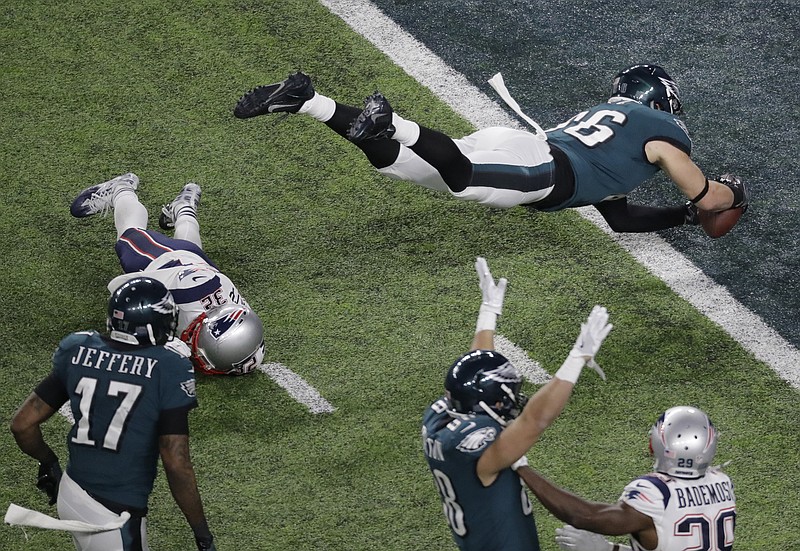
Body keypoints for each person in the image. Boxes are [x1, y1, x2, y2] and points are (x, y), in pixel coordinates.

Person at [233, 65, 749, 234]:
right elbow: (700, 188)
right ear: (661, 102)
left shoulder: (615, 141)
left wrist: (680, 217)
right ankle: (398, 123)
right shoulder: (658, 130)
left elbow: (620, 218)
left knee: (397, 164)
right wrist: (726, 192)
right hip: (545, 168)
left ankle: (310, 102)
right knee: (462, 177)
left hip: (532, 150)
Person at [10, 277, 217, 550]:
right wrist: (202, 533)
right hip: (112, 514)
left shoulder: (77, 349)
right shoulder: (167, 367)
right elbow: (176, 462)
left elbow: (22, 424)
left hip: (71, 491)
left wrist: (48, 461)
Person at [420, 257, 613, 550]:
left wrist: (488, 314)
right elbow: (534, 421)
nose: (509, 403)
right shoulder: (475, 447)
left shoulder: (439, 418)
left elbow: (478, 374)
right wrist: (577, 358)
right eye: (504, 399)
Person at [70, 173, 265, 375]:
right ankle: (121, 189)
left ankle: (183, 207)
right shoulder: (178, 293)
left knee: (191, 246)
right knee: (129, 237)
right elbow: (122, 293)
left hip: (199, 263)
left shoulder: (242, 315)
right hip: (165, 263)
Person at [516, 406, 736, 551]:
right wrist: (609, 549)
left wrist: (522, 468)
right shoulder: (722, 484)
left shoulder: (656, 493)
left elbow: (585, 517)